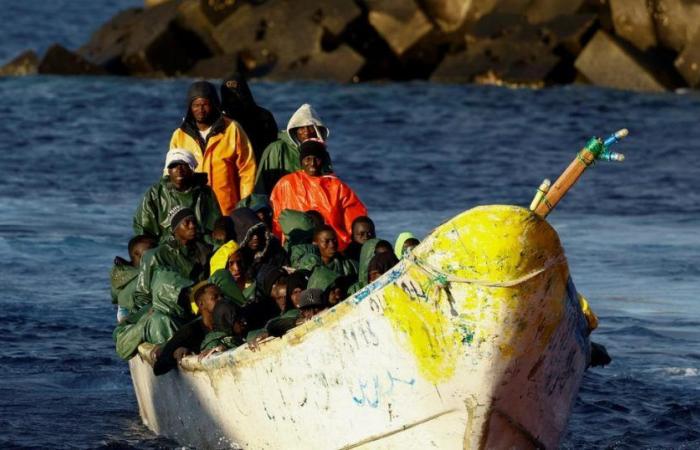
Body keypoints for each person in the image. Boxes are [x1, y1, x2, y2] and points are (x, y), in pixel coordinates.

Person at [169, 81, 257, 215]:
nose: (200, 109)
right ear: (189, 108)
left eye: (205, 104)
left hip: (227, 209)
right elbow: (169, 174)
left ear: (214, 104)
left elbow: (247, 170)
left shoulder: (232, 129)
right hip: (192, 211)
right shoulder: (179, 136)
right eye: (196, 105)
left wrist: (244, 206)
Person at [270, 140, 367, 251]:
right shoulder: (286, 183)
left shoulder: (337, 186)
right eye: (308, 159)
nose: (312, 163)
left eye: (317, 159)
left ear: (323, 161)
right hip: (296, 245)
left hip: (331, 247)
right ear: (301, 161)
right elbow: (276, 218)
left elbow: (355, 217)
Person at [132, 207, 212, 311]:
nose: (192, 226)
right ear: (175, 229)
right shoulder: (155, 256)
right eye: (186, 223)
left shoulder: (203, 250)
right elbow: (142, 295)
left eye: (193, 222)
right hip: (166, 308)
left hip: (197, 304)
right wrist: (149, 311)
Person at [134, 149, 221, 241]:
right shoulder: (155, 193)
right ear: (168, 170)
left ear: (192, 169)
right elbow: (143, 228)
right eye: (173, 166)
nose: (179, 170)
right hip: (166, 249)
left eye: (184, 165)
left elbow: (214, 226)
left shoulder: (204, 192)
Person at [254, 103, 333, 195]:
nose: (306, 132)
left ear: (318, 130)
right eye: (301, 128)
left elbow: (328, 183)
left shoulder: (321, 152)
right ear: (294, 131)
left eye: (311, 128)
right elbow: (261, 185)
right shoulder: (277, 148)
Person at [152, 283, 224, 375]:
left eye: (222, 296)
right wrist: (176, 353)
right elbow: (158, 368)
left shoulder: (229, 323)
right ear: (201, 304)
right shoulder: (190, 331)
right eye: (215, 297)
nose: (221, 300)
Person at [220, 74, 278, 161]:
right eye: (229, 95)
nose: (234, 98)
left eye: (238, 92)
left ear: (245, 92)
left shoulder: (264, 116)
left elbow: (273, 149)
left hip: (260, 166)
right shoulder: (218, 120)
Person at [110, 235, 157, 323]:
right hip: (131, 313)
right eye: (151, 249)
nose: (155, 252)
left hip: (122, 310)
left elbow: (114, 296)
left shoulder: (120, 271)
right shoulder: (143, 275)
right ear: (136, 254)